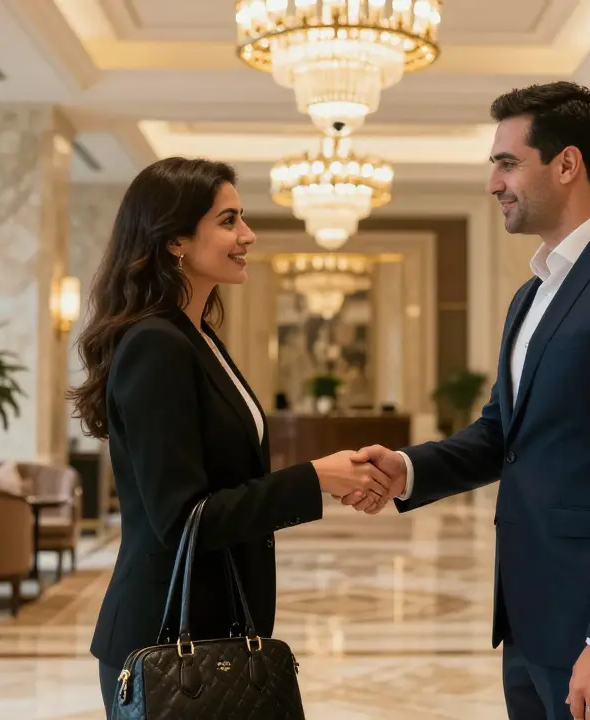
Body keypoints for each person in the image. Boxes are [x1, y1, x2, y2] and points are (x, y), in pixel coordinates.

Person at [346, 82, 590, 720]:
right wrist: (409, 469)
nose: (493, 182)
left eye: (507, 162)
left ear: (566, 164)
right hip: (531, 616)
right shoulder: (531, 293)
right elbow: (503, 434)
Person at [69, 157, 393, 716]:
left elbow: (228, 480)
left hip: (216, 628)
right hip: (166, 642)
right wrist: (314, 479)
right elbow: (183, 517)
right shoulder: (156, 343)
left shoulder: (196, 336)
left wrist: (328, 480)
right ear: (174, 239)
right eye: (228, 221)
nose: (248, 235)